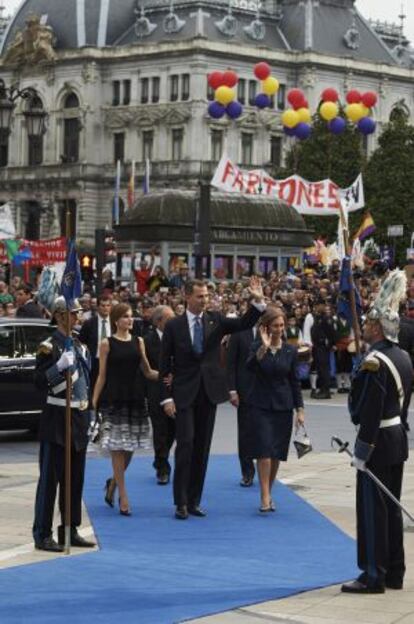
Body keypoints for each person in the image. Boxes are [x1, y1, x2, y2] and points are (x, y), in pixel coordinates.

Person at [160, 276, 265, 520]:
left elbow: (243, 322)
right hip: (184, 393)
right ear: (187, 297)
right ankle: (181, 502)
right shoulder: (174, 326)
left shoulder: (215, 319)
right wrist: (166, 399)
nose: (204, 300)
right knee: (185, 444)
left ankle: (194, 501)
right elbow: (165, 364)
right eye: (200, 296)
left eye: (207, 295)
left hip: (209, 392)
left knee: (202, 448)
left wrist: (257, 300)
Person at [342, 270, 413, 594]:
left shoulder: (374, 362)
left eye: (370, 324)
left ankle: (373, 575)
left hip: (377, 443)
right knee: (391, 508)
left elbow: (366, 412)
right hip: (397, 438)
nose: (365, 327)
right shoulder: (404, 357)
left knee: (373, 512)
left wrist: (361, 451)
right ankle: (395, 572)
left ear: (379, 328)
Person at [32, 297, 95, 552]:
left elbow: (87, 383)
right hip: (57, 419)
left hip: (78, 418)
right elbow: (38, 382)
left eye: (78, 313)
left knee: (75, 479)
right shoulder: (49, 347)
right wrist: (58, 367)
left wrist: (92, 413)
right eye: (73, 313)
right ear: (59, 316)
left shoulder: (79, 345)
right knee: (50, 481)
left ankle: (70, 528)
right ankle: (42, 533)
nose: (77, 317)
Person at [92, 302, 158, 516]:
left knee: (130, 448)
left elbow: (147, 371)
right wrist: (93, 401)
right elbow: (101, 375)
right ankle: (123, 495)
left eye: (131, 316)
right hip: (114, 399)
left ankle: (112, 484)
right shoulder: (106, 343)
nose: (130, 320)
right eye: (125, 316)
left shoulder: (139, 341)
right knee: (118, 448)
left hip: (136, 398)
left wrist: (169, 374)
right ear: (116, 320)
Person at [246, 308, 305, 512]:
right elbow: (250, 367)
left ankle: (268, 491)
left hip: (283, 406)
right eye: (275, 326)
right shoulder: (257, 346)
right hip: (260, 405)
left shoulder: (290, 350)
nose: (279, 329)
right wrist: (263, 347)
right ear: (266, 327)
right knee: (263, 451)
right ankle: (264, 496)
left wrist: (300, 409)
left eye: (281, 325)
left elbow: (295, 381)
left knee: (277, 453)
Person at [144, 305, 176, 484]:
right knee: (161, 430)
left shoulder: (179, 337)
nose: (174, 321)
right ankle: (163, 468)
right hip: (156, 392)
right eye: (169, 318)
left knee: (174, 430)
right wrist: (162, 376)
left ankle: (159, 459)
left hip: (178, 391)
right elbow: (146, 368)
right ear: (158, 321)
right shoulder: (148, 340)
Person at [227, 325, 258, 487]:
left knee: (264, 432)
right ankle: (247, 472)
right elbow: (230, 363)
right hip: (244, 390)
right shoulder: (238, 331)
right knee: (245, 432)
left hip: (267, 390)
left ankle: (264, 468)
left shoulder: (272, 328)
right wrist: (232, 390)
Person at [79, 295, 112, 391]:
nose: (105, 308)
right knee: (94, 389)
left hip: (111, 362)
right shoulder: (89, 323)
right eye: (103, 305)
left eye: (108, 305)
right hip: (94, 363)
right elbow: (81, 342)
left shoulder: (115, 323)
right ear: (97, 307)